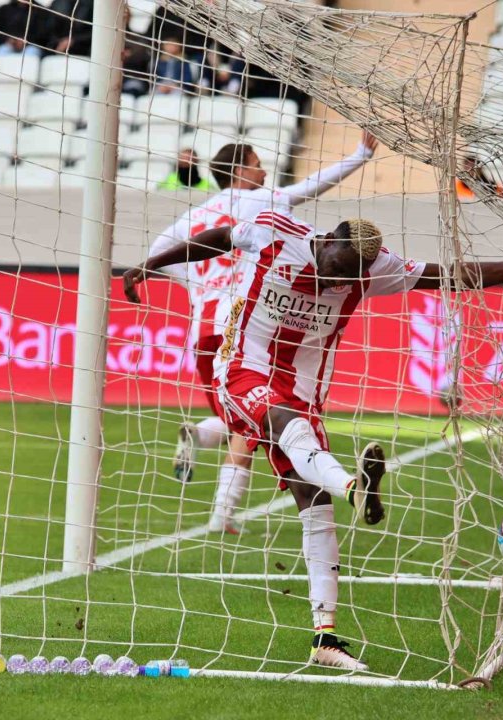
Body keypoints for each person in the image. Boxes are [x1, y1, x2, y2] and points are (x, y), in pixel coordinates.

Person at [125, 210, 503, 670]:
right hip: (242, 367)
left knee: (314, 503)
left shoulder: (374, 268)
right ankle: (354, 489)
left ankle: (325, 638)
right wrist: (152, 264)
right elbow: (221, 237)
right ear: (327, 242)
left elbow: (452, 275)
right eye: (337, 269)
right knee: (284, 423)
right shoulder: (275, 233)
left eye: (350, 278)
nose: (340, 282)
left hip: (303, 390)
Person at [147, 130, 378, 535]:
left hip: (203, 330)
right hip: (242, 327)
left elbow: (156, 254)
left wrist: (197, 287)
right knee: (258, 422)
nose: (264, 172)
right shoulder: (262, 202)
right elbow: (312, 185)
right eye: (257, 165)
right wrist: (360, 154)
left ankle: (202, 439)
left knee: (250, 418)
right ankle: (222, 511)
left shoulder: (194, 215)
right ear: (239, 171)